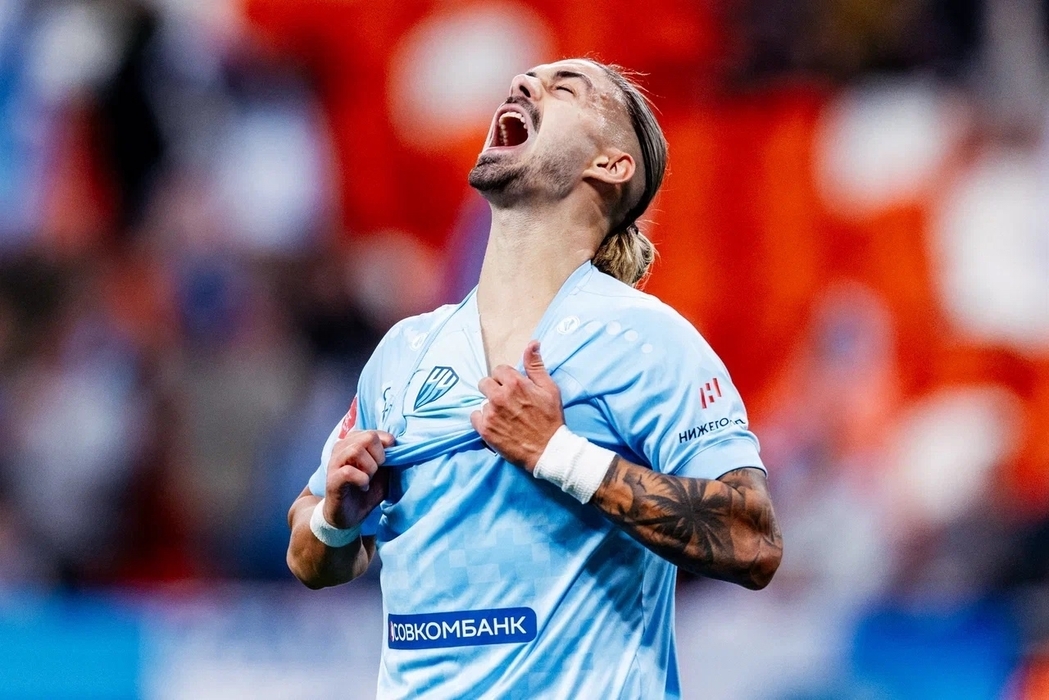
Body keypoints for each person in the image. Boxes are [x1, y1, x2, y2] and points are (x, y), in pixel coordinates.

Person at [286, 58, 783, 699]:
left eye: (565, 87)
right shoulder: (406, 350)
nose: (523, 83)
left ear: (610, 165)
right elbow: (308, 554)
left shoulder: (645, 342)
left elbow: (752, 539)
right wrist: (336, 518)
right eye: (527, 79)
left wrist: (559, 454)